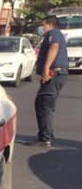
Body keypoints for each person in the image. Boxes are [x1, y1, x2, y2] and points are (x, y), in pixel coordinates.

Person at [32, 15, 68, 147]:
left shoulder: (54, 33)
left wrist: (46, 68)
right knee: (43, 104)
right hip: (56, 74)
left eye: (43, 25)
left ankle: (45, 138)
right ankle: (47, 133)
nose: (42, 28)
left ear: (50, 25)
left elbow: (54, 47)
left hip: (54, 73)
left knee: (44, 105)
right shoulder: (53, 34)